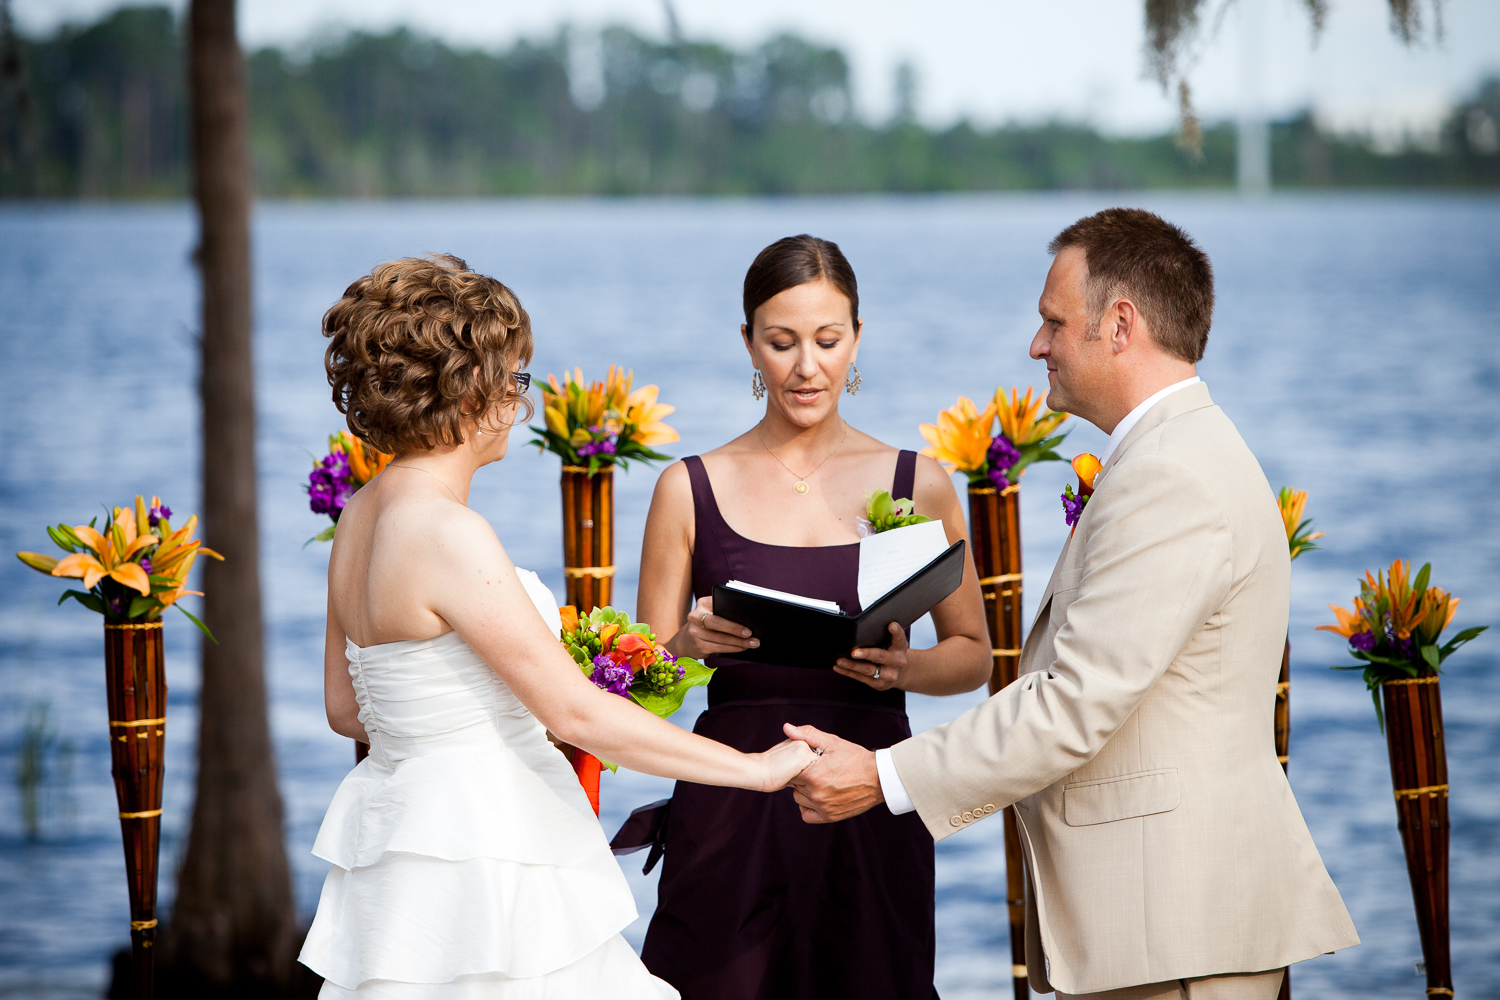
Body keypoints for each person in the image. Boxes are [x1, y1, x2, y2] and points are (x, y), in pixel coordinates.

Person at [785, 209, 1359, 1000]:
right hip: (1167, 924)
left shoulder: (1170, 477)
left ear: (1119, 325)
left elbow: (1074, 704)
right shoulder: (1178, 452)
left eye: (1054, 322)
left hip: (1176, 932)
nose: (1037, 344)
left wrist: (885, 776)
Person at [296, 254, 817, 999]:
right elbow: (575, 711)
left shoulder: (358, 517)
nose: (522, 401)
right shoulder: (449, 531)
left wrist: (462, 718)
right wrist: (757, 771)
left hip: (405, 843)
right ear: (471, 388)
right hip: (489, 849)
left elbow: (347, 708)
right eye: (516, 380)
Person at [634, 235, 992, 1000]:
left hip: (867, 800)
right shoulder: (686, 488)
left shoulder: (918, 482)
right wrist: (688, 645)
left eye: (828, 341)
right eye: (782, 342)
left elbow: (973, 655)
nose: (807, 367)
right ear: (748, 345)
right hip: (728, 804)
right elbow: (644, 693)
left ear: (857, 338)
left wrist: (907, 668)